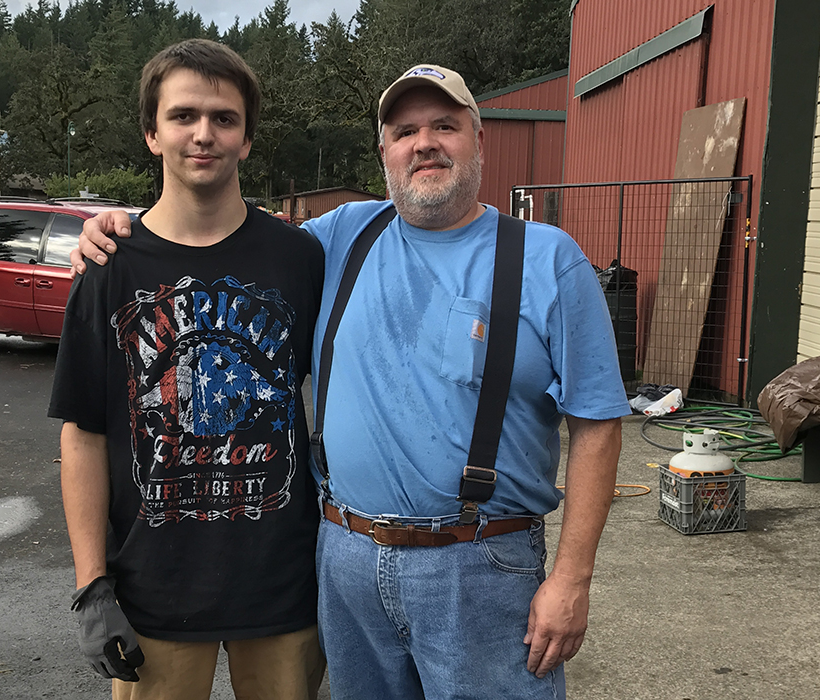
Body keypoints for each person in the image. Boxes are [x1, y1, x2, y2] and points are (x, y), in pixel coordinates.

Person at [73, 64, 628, 700]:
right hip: (344, 565)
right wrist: (118, 230)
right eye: (404, 130)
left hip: (479, 568)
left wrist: (573, 578)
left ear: (479, 140)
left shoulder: (548, 259)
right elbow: (216, 241)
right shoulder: (339, 238)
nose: (425, 143)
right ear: (384, 150)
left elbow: (598, 425)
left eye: (445, 126)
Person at [49, 38, 325, 700]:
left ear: (247, 140)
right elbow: (82, 433)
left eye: (225, 119)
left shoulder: (301, 260)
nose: (204, 134)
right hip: (154, 591)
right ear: (152, 132)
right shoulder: (107, 268)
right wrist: (91, 585)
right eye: (183, 116)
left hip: (283, 587)